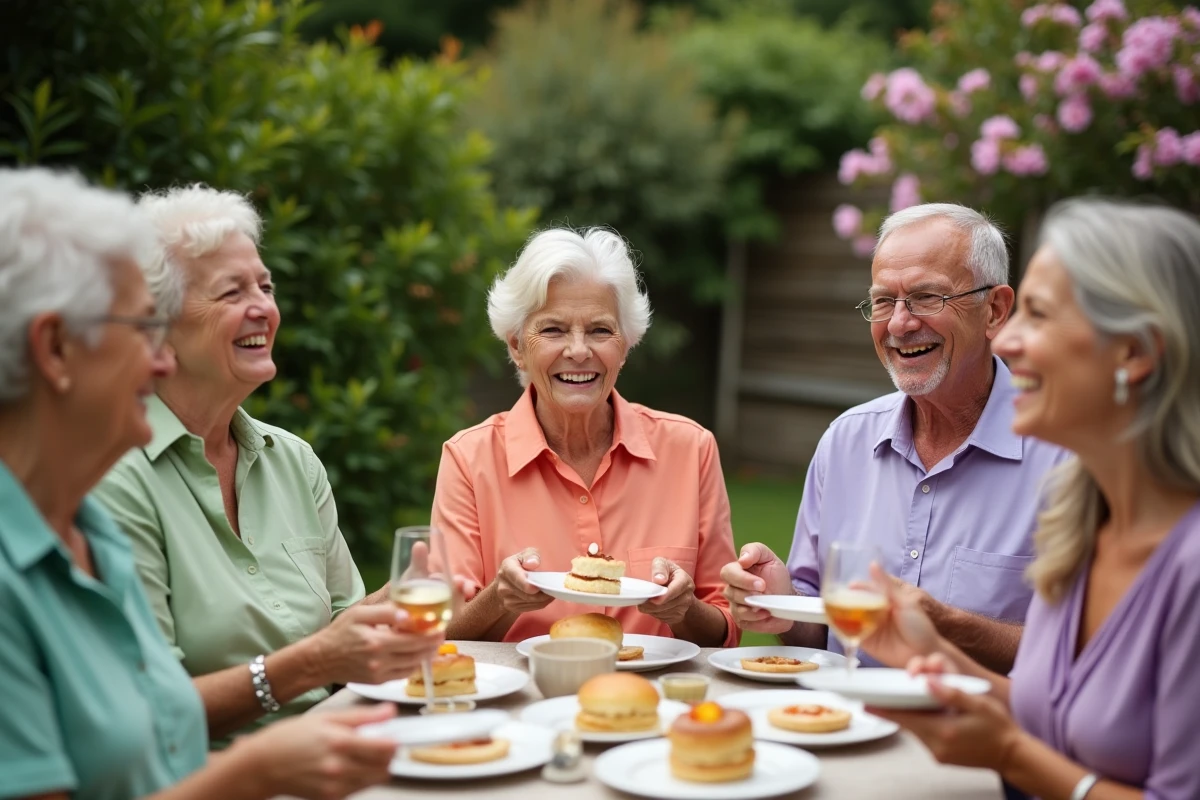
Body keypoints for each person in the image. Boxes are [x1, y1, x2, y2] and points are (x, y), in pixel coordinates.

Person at [0, 167, 399, 800]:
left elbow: (157, 731)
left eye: (265, 286)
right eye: (142, 328)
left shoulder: (88, 532)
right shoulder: (79, 517)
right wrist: (258, 770)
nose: (160, 359)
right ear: (54, 350)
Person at [862, 198, 1200, 800]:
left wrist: (1010, 754)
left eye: (1038, 315)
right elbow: (1058, 714)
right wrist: (937, 655)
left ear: (1135, 353)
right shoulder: (1083, 523)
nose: (1008, 340)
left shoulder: (1189, 565)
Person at [93, 184, 443, 743]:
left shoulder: (294, 461)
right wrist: (313, 662)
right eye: (232, 292)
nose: (264, 308)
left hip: (334, 748)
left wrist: (398, 599)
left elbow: (342, 635)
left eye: (265, 286)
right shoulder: (114, 478)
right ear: (158, 325)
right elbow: (150, 709)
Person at [722, 204, 1069, 672]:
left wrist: (947, 624)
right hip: (842, 714)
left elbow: (1084, 652)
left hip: (980, 720)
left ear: (995, 310)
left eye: (927, 297)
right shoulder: (845, 441)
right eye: (884, 301)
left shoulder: (1064, 457)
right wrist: (781, 601)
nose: (900, 324)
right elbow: (818, 632)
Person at [435, 227, 739, 646]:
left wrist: (685, 610)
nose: (579, 351)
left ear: (625, 346)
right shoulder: (468, 459)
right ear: (517, 346)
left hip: (651, 687)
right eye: (553, 330)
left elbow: (726, 631)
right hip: (521, 687)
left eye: (600, 330)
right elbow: (441, 636)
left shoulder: (692, 450)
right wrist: (500, 600)